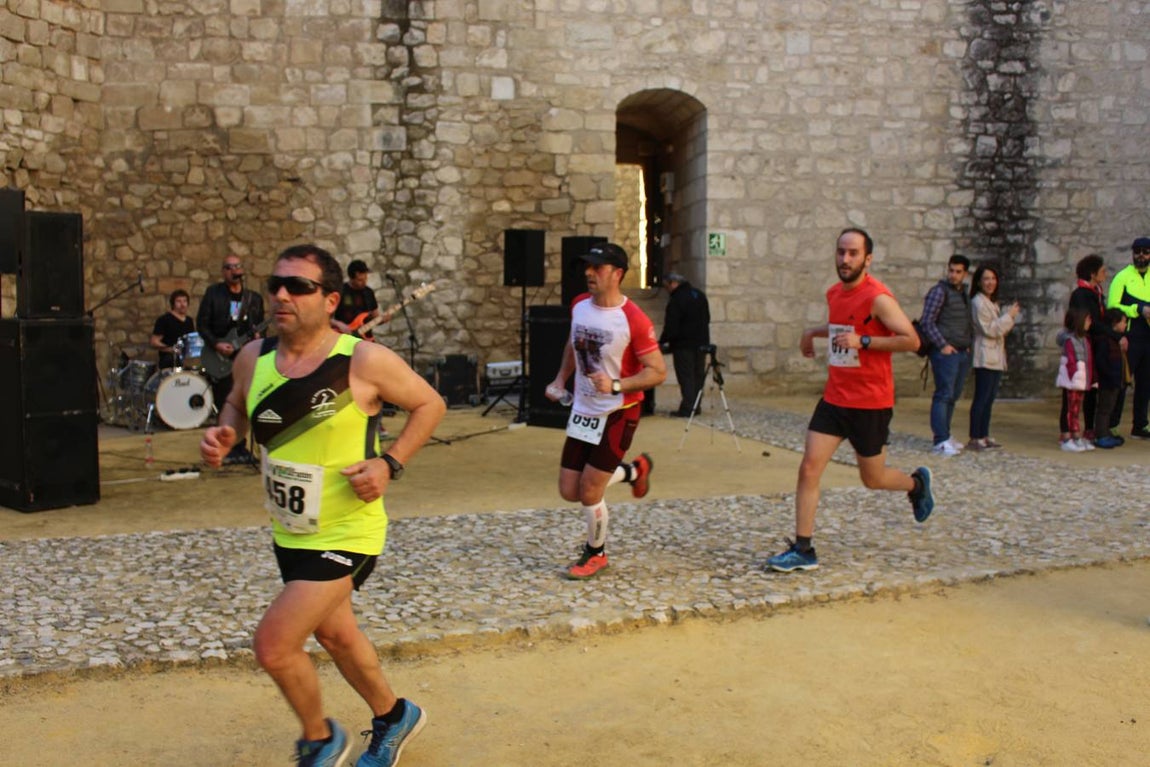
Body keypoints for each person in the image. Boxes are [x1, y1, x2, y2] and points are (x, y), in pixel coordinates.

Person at [200, 244, 445, 767]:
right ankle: (394, 715)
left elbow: (430, 403)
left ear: (331, 299)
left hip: (348, 531)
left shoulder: (361, 360)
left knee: (274, 645)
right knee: (336, 633)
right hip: (290, 531)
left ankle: (320, 740)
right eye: (276, 284)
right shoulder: (254, 357)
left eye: (299, 286)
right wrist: (225, 432)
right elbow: (238, 405)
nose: (281, 294)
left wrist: (389, 463)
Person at [766, 228, 934, 573]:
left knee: (872, 479)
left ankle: (916, 483)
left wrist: (866, 342)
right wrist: (813, 332)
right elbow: (842, 327)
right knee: (809, 467)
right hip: (835, 398)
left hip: (871, 402)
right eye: (841, 252)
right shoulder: (833, 293)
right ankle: (804, 548)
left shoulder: (879, 298)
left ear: (867, 259)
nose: (845, 259)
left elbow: (912, 340)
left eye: (853, 253)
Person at [545, 242, 667, 580]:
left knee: (589, 492)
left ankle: (596, 553)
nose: (588, 273)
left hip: (618, 411)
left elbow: (657, 371)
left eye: (597, 268)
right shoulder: (579, 305)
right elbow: (573, 344)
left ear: (617, 274)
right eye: (587, 267)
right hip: (584, 410)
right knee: (570, 490)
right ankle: (632, 472)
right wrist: (560, 380)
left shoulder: (634, 320)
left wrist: (616, 385)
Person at [197, 255, 265, 464]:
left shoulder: (252, 298)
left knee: (245, 398)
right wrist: (216, 343)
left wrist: (257, 337)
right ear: (223, 272)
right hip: (219, 355)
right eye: (229, 267)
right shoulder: (213, 294)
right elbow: (202, 324)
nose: (234, 270)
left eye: (237, 267)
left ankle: (241, 446)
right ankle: (227, 445)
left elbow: (260, 325)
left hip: (243, 356)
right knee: (227, 399)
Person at [919, 254, 973, 456]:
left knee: (953, 395)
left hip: (961, 351)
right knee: (943, 394)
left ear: (965, 274)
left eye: (958, 272)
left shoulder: (963, 294)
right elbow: (927, 321)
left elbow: (966, 321)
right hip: (946, 352)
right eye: (951, 270)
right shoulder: (939, 292)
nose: (953, 275)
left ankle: (946, 434)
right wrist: (942, 345)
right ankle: (940, 438)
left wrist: (967, 345)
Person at [967, 264, 1020, 450]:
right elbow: (990, 330)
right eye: (986, 279)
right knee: (981, 397)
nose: (990, 283)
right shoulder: (978, 302)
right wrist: (1009, 316)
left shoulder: (991, 303)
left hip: (996, 355)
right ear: (979, 282)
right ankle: (975, 435)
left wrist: (1006, 319)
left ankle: (984, 433)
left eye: (993, 279)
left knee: (989, 398)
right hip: (984, 354)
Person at [1106, 237, 1150, 439]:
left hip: (1148, 337)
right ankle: (1112, 424)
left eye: (1146, 251)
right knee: (1122, 381)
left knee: (1146, 383)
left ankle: (1140, 424)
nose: (1141, 255)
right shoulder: (1122, 277)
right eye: (1138, 251)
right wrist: (1138, 309)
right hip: (1130, 337)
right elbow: (1112, 307)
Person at [1065, 254, 1108, 441]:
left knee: (1092, 389)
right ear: (1093, 274)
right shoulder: (1082, 295)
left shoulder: (1095, 292)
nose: (1105, 274)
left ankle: (1089, 427)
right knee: (1077, 390)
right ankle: (1071, 431)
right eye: (1102, 271)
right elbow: (1088, 322)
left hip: (1095, 345)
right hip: (1085, 346)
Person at [659, 271, 711, 417]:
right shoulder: (699, 295)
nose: (667, 290)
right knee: (697, 375)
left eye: (666, 286)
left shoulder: (677, 299)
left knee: (686, 376)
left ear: (673, 283)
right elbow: (707, 318)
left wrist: (663, 341)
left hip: (684, 344)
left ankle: (688, 407)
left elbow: (671, 324)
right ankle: (696, 405)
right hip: (700, 342)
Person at [1056, 306, 1094, 452]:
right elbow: (1070, 361)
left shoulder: (1084, 339)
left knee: (1076, 409)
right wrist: (1074, 379)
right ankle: (1066, 436)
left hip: (1080, 380)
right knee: (1068, 408)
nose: (1089, 322)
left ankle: (1076, 435)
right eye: (1087, 320)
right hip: (1072, 380)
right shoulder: (1070, 340)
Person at [1092, 308, 1129, 449]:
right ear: (1115, 323)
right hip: (1108, 381)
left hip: (1114, 380)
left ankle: (1105, 432)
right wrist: (1109, 377)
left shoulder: (1114, 340)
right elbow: (1102, 362)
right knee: (1104, 409)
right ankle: (1101, 435)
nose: (1125, 325)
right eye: (1123, 322)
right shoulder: (1105, 341)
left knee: (1110, 408)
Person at [332, 259, 392, 339]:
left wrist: (383, 320)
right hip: (344, 337)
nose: (364, 282)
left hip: (365, 338)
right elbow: (326, 318)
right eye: (360, 280)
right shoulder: (340, 291)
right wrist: (339, 324)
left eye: (365, 279)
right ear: (351, 278)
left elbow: (374, 318)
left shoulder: (368, 292)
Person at [149, 288, 195, 369]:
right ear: (173, 303)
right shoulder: (164, 319)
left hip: (186, 359)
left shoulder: (189, 321)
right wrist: (171, 349)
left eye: (185, 301)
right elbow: (154, 342)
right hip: (170, 359)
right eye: (179, 301)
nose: (182, 304)